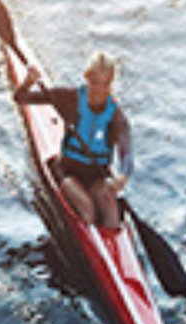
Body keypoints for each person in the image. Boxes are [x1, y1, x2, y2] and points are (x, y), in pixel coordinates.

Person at [14, 50, 132, 230]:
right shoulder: (69, 98)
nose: (100, 89)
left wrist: (123, 175)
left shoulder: (116, 114)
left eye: (105, 84)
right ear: (86, 77)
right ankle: (87, 243)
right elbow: (21, 98)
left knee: (111, 213)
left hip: (97, 177)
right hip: (68, 171)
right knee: (87, 209)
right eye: (95, 82)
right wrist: (29, 81)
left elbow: (127, 151)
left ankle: (112, 251)